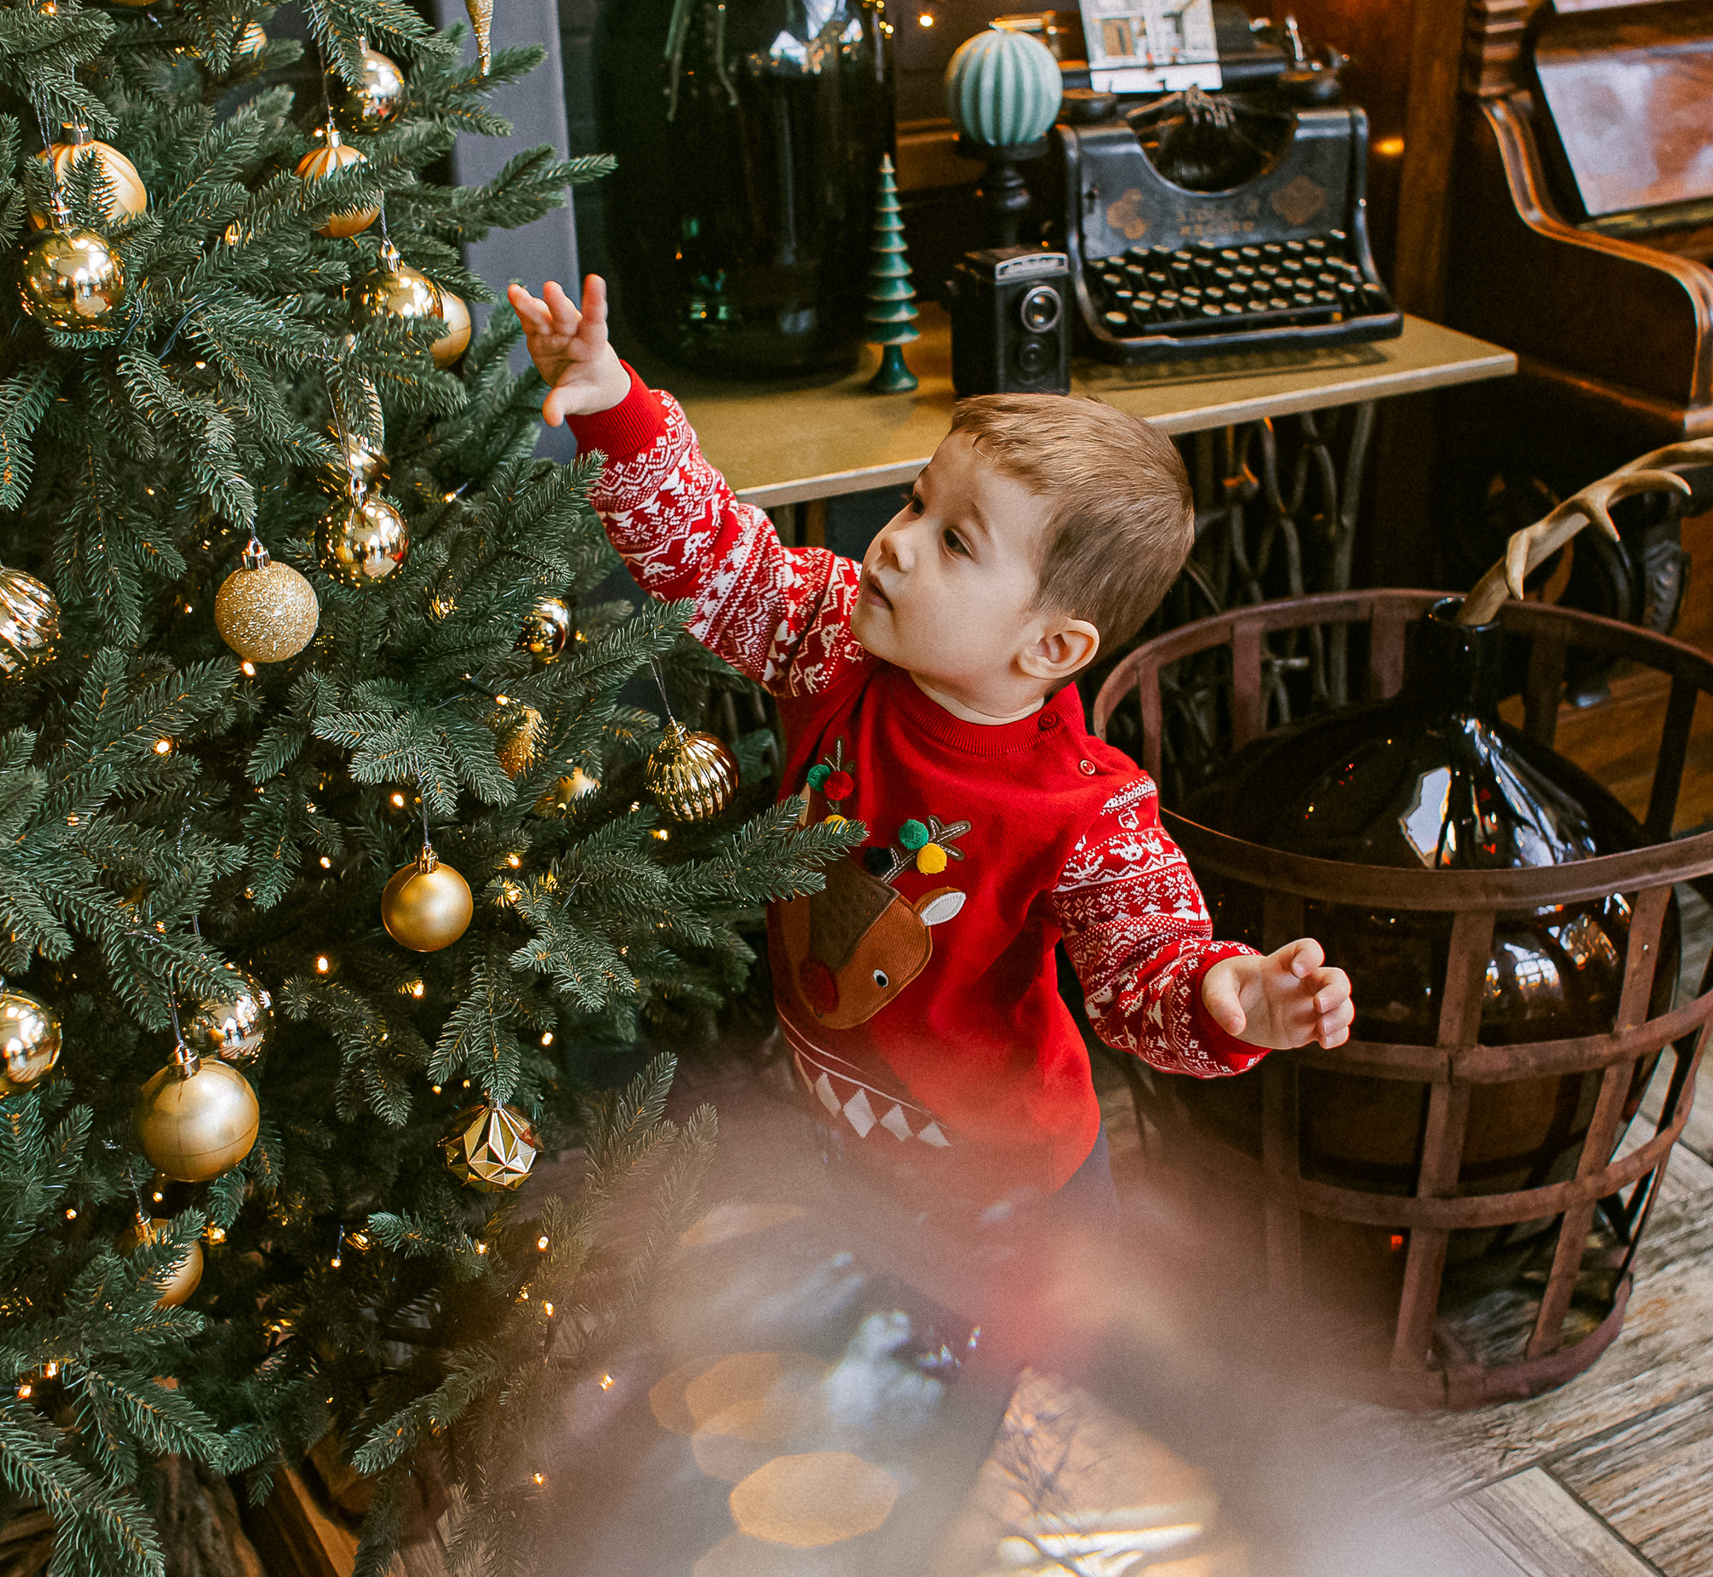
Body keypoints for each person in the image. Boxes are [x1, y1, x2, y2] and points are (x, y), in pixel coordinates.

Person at [507, 277, 1354, 1231]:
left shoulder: (1090, 812)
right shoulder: (833, 641)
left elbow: (1142, 971)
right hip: (852, 1143)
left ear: (1051, 647)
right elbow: (714, 558)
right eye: (916, 503)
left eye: (955, 541)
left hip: (1020, 1195)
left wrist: (1222, 996)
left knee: (1011, 1337)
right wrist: (613, 403)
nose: (897, 544)